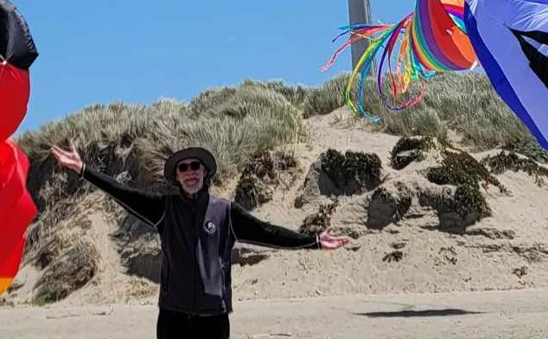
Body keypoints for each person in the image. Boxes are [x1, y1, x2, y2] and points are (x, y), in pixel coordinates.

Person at [50, 143, 348, 338]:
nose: (190, 172)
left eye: (196, 166)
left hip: (213, 318)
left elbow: (267, 232)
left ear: (205, 173)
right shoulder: (163, 210)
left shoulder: (225, 212)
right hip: (173, 318)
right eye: (184, 168)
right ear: (176, 176)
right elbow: (122, 193)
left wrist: (313, 241)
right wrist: (84, 171)